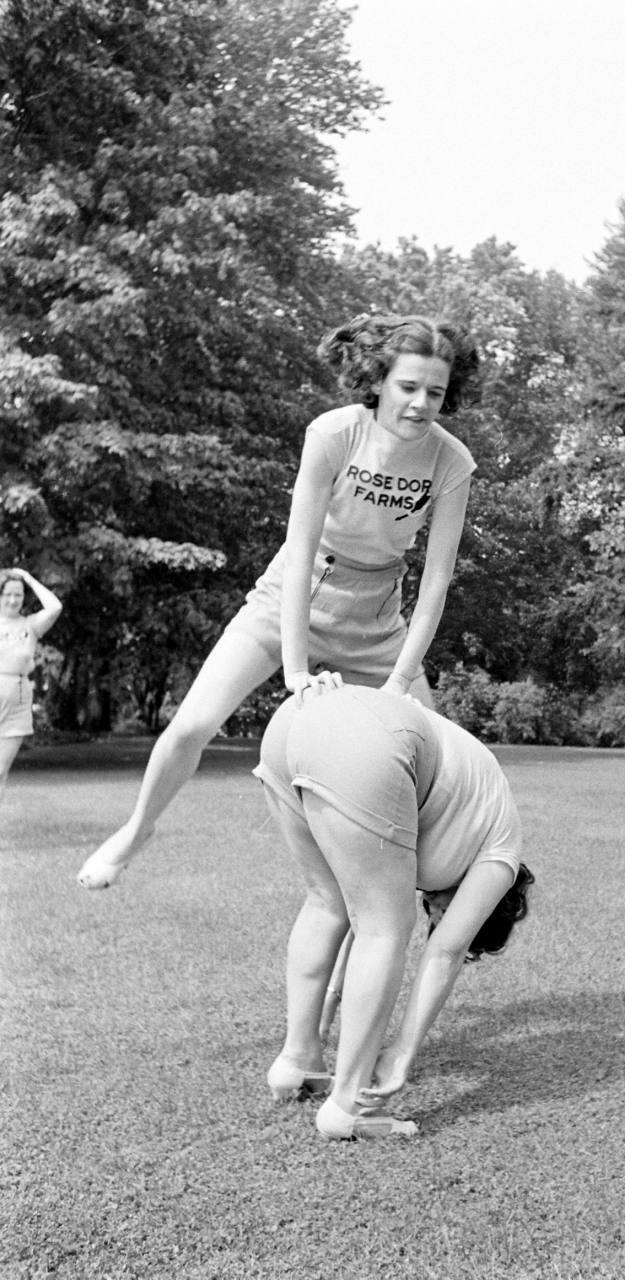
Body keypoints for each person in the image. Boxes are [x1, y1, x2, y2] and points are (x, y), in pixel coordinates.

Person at [77, 314, 481, 890]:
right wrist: (295, 670)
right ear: (378, 381)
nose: (420, 404)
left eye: (434, 393)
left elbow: (436, 580)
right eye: (407, 387)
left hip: (377, 614)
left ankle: (374, 916)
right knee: (192, 724)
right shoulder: (333, 434)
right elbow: (300, 551)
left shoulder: (451, 462)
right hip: (298, 587)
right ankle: (138, 828)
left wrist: (400, 678)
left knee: (432, 764)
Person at [255, 684, 535, 1141]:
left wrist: (329, 1008)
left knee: (327, 903)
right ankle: (346, 1106)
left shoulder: (471, 815)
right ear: (492, 911)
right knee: (386, 929)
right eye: (443, 913)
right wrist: (402, 1052)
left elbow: (354, 916)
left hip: (293, 724)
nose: (438, 919)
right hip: (368, 737)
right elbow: (445, 952)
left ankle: (297, 1059)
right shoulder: (501, 854)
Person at [0, 567, 63, 801]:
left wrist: (28, 578)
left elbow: (55, 607)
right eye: (8, 594)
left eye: (18, 594)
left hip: (17, 700)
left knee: (0, 771)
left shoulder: (30, 625)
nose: (13, 600)